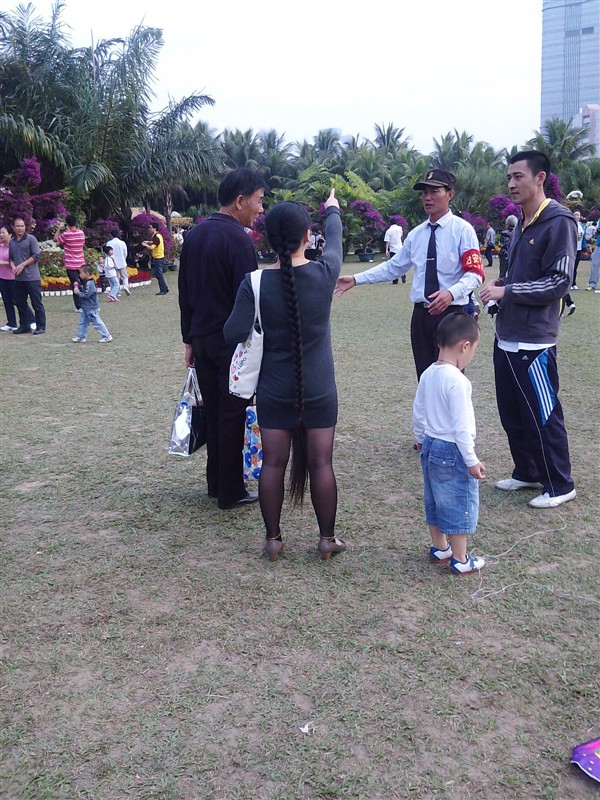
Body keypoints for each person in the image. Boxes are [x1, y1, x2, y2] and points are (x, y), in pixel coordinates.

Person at [224, 190, 346, 562]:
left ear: (268, 239)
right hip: (320, 388)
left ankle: (274, 540)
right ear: (307, 236)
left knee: (273, 464)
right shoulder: (326, 272)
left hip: (273, 391)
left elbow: (232, 333)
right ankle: (327, 540)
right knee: (322, 463)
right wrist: (332, 208)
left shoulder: (255, 283)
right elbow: (337, 239)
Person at [480, 150, 576, 509]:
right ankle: (528, 471)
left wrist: (509, 290)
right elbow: (521, 275)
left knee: (543, 413)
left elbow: (558, 282)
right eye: (508, 177)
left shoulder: (559, 222)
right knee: (512, 411)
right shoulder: (521, 222)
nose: (511, 184)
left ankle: (560, 483)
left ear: (540, 178)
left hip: (535, 339)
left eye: (518, 176)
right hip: (506, 333)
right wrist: (499, 284)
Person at [335, 168, 485, 379]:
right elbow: (393, 267)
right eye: (424, 192)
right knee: (424, 378)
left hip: (452, 314)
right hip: (421, 316)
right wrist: (356, 279)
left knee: (450, 380)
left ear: (450, 194)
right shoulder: (416, 235)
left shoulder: (463, 230)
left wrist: (450, 293)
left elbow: (475, 274)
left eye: (434, 191)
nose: (427, 197)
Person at [178, 167, 267, 510]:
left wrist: (189, 340)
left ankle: (216, 482)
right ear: (240, 200)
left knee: (215, 411)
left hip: (201, 340)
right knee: (232, 414)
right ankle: (230, 490)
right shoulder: (239, 241)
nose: (261, 209)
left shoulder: (195, 236)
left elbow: (185, 293)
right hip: (231, 344)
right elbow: (249, 301)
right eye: (259, 201)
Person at [413, 313, 485, 575]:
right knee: (457, 502)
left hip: (431, 444)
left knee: (434, 498)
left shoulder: (428, 373)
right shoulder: (458, 381)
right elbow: (461, 428)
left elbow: (418, 410)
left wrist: (420, 438)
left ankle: (439, 547)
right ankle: (461, 559)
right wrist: (471, 460)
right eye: (474, 349)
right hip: (452, 451)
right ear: (464, 346)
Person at [9, 217, 47, 335]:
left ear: (25, 227)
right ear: (13, 227)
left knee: (37, 303)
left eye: (22, 226)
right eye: (18, 226)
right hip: (18, 279)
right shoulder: (12, 242)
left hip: (32, 278)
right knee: (20, 303)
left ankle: (40, 326)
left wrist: (22, 265)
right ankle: (24, 326)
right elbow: (10, 258)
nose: (20, 228)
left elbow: (36, 256)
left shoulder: (31, 239)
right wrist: (13, 266)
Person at [71, 264, 113, 343]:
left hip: (91, 307)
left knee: (96, 321)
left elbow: (86, 294)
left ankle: (107, 335)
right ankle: (81, 336)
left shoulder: (90, 283)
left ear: (87, 273)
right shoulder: (86, 282)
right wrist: (78, 286)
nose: (80, 275)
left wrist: (78, 292)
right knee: (83, 322)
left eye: (81, 273)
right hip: (85, 307)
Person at [54, 214, 85, 311]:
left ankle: (79, 306)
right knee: (84, 284)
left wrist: (59, 228)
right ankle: (88, 304)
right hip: (81, 263)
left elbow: (56, 239)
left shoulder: (66, 234)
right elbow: (83, 244)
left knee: (75, 284)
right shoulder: (81, 233)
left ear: (67, 224)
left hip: (71, 264)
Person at [0, 224, 19, 331]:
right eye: (0, 232)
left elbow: (16, 261)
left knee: (18, 301)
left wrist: (3, 263)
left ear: (10, 234)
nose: (1, 235)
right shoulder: (0, 246)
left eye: (3, 232)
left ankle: (31, 320)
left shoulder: (14, 246)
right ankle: (11, 323)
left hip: (13, 278)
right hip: (2, 278)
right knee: (7, 301)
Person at [142, 222, 169, 295]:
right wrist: (148, 242)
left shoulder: (156, 237)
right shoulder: (157, 235)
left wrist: (145, 245)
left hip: (158, 257)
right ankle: (165, 288)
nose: (149, 229)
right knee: (159, 274)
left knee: (158, 274)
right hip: (159, 257)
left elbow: (151, 247)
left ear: (155, 228)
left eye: (150, 228)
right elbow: (155, 242)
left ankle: (163, 289)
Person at [105, 229, 130, 296]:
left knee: (116, 277)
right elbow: (125, 253)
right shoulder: (122, 243)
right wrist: (123, 259)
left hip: (113, 263)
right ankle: (125, 286)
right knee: (124, 276)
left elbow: (107, 253)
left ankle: (118, 292)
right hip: (121, 261)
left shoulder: (109, 243)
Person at [384, 219, 405, 284]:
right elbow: (401, 236)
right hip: (400, 248)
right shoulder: (400, 228)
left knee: (393, 265)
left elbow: (387, 241)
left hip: (393, 249)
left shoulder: (389, 231)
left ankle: (395, 280)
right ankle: (402, 274)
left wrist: (387, 250)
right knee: (400, 263)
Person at [498, 214, 517, 280]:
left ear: (507, 224)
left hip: (504, 255)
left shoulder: (504, 233)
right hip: (514, 256)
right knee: (512, 274)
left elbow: (502, 244)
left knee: (502, 273)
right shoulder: (517, 233)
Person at [571, 210, 585, 290]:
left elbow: (583, 236)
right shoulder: (571, 224)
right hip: (572, 248)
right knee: (570, 267)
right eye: (576, 215)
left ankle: (574, 283)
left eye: (578, 215)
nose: (577, 216)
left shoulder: (581, 226)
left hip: (579, 249)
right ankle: (569, 284)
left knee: (575, 267)